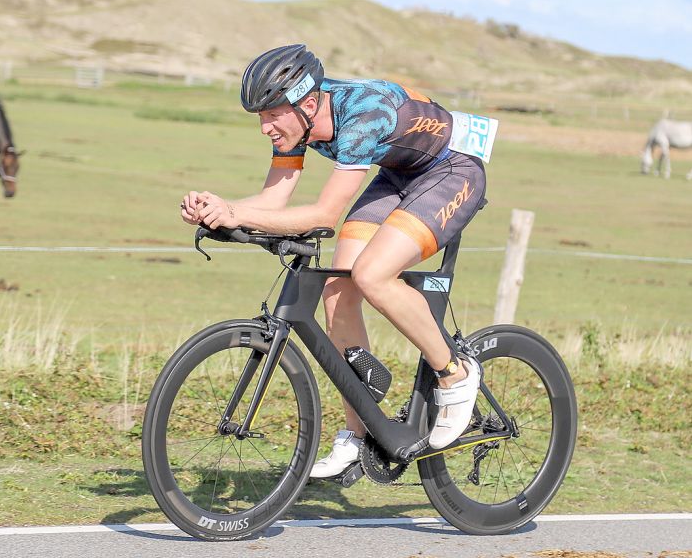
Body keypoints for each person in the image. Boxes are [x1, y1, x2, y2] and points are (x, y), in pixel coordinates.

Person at [180, 44, 487, 478]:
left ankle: (454, 373)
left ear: (307, 104)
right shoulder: (298, 126)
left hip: (451, 172)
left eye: (271, 115)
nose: (265, 127)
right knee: (338, 291)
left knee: (373, 274)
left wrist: (236, 213)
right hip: (397, 175)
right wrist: (219, 207)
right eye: (260, 117)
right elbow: (273, 200)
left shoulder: (362, 115)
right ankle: (359, 433)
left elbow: (325, 215)